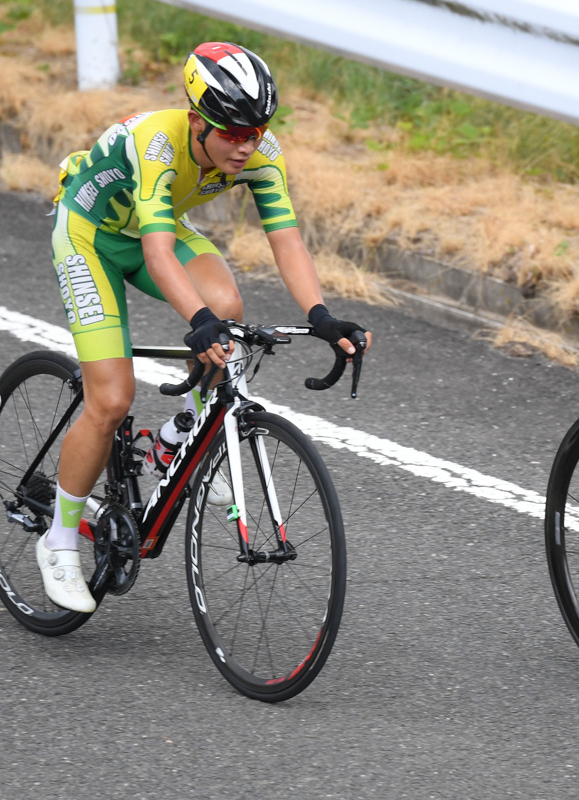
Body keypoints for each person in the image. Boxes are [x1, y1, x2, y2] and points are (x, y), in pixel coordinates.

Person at [41, 42, 371, 612]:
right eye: (232, 134)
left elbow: (285, 237)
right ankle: (60, 539)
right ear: (197, 121)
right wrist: (197, 323)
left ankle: (178, 439)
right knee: (111, 399)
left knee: (228, 305)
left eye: (256, 132)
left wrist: (320, 315)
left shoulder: (260, 151)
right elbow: (159, 251)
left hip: (154, 231)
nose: (246, 147)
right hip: (90, 236)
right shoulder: (158, 142)